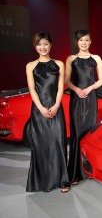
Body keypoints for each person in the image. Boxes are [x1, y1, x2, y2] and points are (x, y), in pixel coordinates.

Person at [26, 31, 70, 193]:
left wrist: (57, 104)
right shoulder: (30, 65)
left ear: (51, 45)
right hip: (39, 110)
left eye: (45, 44)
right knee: (41, 145)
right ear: (35, 46)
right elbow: (32, 89)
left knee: (57, 143)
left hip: (56, 108)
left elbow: (60, 87)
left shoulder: (58, 64)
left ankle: (63, 181)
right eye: (39, 44)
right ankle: (44, 182)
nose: (42, 47)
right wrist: (41, 108)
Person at [65, 29, 102, 185]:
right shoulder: (71, 59)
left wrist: (89, 89)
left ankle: (88, 169)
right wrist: (76, 90)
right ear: (77, 42)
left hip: (90, 98)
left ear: (90, 42)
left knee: (89, 132)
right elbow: (67, 80)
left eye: (87, 40)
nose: (84, 43)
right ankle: (75, 172)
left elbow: (101, 80)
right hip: (76, 98)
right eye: (81, 40)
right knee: (76, 132)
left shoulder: (96, 58)